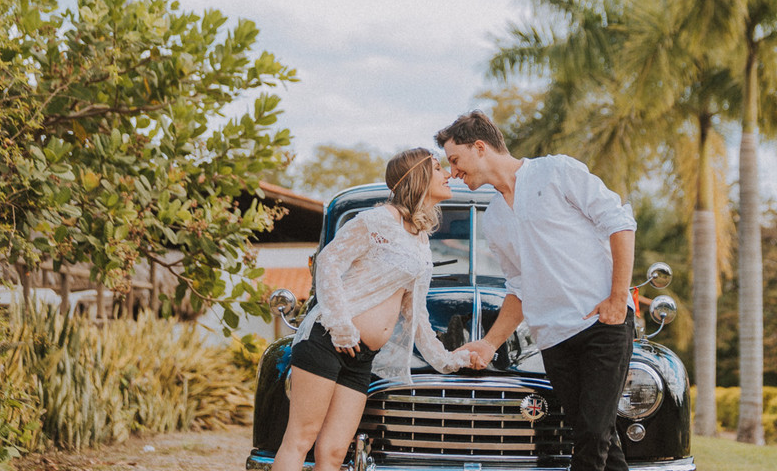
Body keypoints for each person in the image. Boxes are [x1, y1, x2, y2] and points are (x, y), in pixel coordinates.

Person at [437, 110, 636, 471]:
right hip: (553, 339)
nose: (452, 171)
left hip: (600, 326)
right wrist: (490, 342)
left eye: (455, 160)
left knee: (592, 438)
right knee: (598, 438)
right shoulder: (494, 220)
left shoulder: (556, 171)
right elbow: (519, 288)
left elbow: (619, 223)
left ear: (479, 147)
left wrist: (617, 300)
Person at [270, 148, 478, 471]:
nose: (448, 174)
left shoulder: (421, 240)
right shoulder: (376, 220)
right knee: (300, 439)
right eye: (439, 168)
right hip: (328, 339)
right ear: (419, 177)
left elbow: (416, 314)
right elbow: (328, 261)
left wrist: (448, 359)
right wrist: (340, 325)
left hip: (362, 356)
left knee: (335, 452)